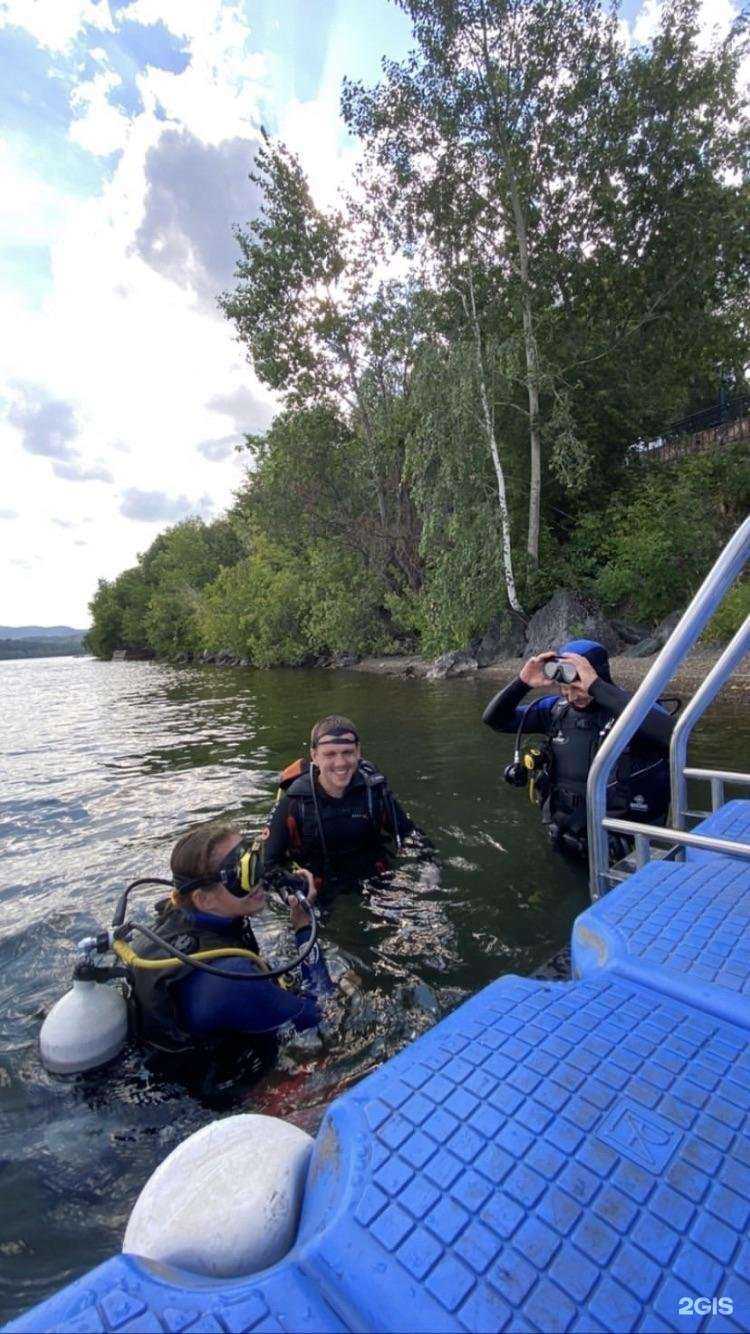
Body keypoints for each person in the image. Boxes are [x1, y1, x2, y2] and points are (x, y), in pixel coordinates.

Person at [130, 821, 334, 1053]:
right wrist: (303, 927)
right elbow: (322, 1012)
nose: (257, 879)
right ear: (204, 899)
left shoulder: (178, 913)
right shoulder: (234, 976)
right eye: (241, 875)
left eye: (252, 860)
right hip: (218, 1081)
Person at [482, 638, 675, 859]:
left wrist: (597, 688)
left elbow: (674, 734)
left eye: (578, 687)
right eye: (564, 688)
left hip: (629, 848)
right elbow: (495, 719)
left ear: (597, 678)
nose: (571, 695)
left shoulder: (634, 711)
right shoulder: (556, 711)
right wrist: (522, 682)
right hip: (568, 838)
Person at [258, 714, 419, 896]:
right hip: (317, 884)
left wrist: (428, 867)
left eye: (347, 752)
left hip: (371, 875)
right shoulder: (295, 802)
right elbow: (268, 864)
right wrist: (293, 886)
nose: (340, 763)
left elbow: (410, 834)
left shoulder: (373, 791)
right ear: (315, 756)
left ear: (358, 752)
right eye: (330, 754)